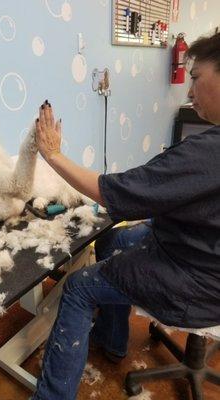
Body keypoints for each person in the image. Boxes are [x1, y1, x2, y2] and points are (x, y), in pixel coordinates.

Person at [31, 32, 220, 400]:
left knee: (78, 286)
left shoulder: (208, 153)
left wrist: (53, 155)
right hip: (200, 250)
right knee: (112, 239)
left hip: (197, 282)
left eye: (195, 78)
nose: (189, 92)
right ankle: (112, 340)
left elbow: (116, 193)